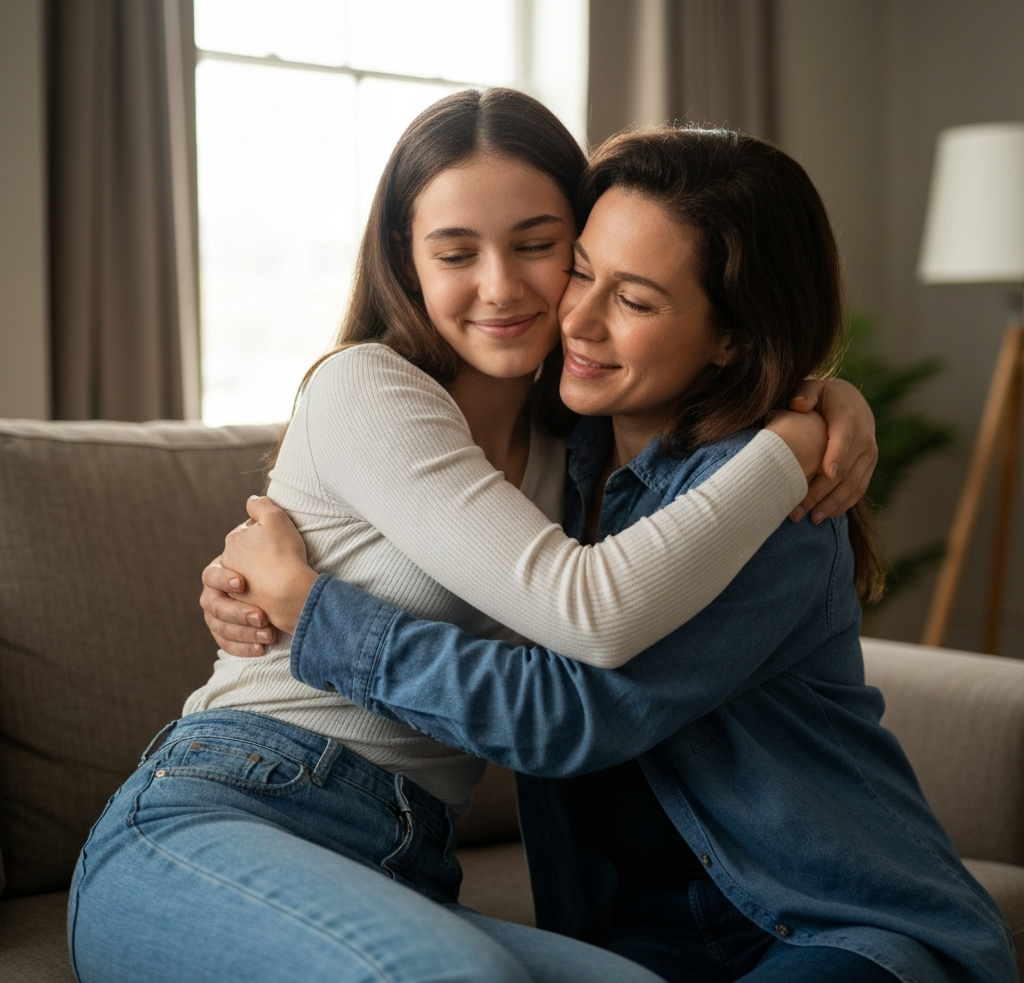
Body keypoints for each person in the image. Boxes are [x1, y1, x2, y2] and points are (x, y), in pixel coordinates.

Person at [69, 91, 876, 983]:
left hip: (405, 856)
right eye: (456, 253)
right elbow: (588, 611)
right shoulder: (366, 388)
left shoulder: (582, 448)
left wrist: (825, 399)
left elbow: (718, 384)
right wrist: (787, 448)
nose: (502, 286)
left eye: (541, 248)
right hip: (232, 807)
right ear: (406, 266)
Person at [203, 126, 1017, 983]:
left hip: (832, 924)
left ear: (734, 337)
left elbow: (564, 717)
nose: (579, 319)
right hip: (627, 934)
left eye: (635, 300)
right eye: (582, 270)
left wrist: (315, 612)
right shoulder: (552, 457)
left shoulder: (771, 510)